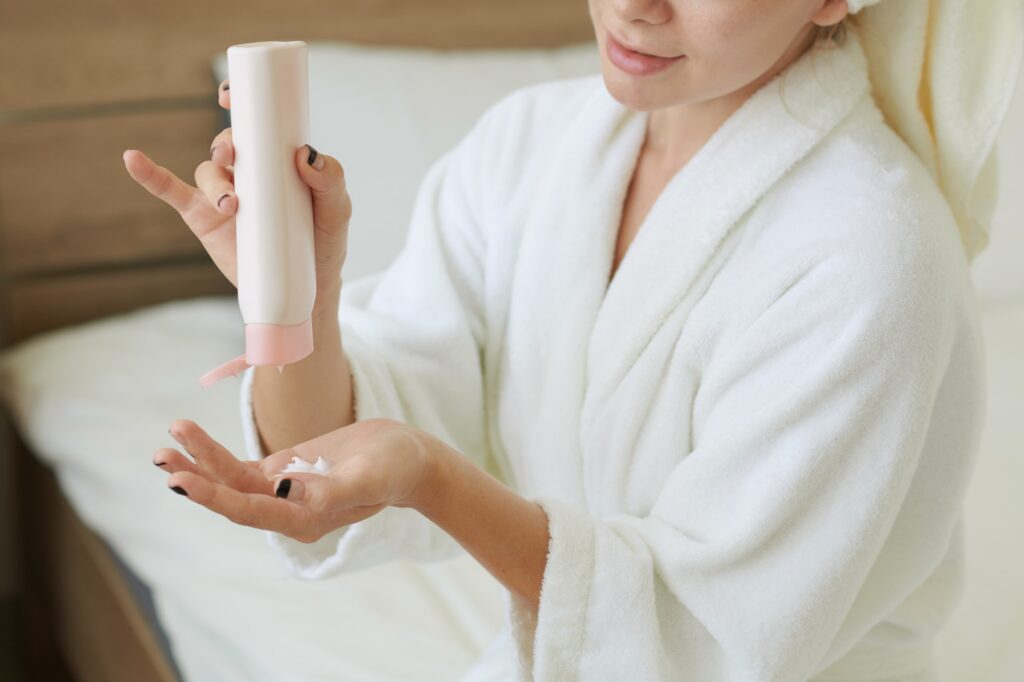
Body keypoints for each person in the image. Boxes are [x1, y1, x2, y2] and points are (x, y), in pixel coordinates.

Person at [122, 0, 1022, 679]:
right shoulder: (529, 145)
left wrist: (431, 477)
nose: (639, 5)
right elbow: (386, 412)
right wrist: (297, 309)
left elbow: (703, 629)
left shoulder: (871, 250)